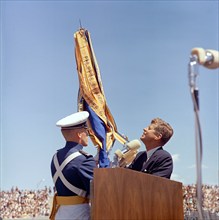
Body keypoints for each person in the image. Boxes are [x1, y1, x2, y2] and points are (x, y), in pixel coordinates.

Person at [50, 111, 97, 220]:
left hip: (60, 214)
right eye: (86, 131)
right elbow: (97, 191)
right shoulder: (84, 160)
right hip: (79, 214)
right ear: (79, 134)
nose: (88, 135)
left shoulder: (55, 158)